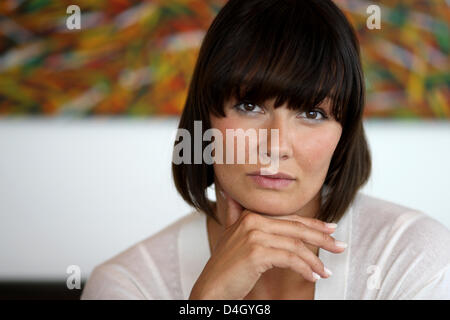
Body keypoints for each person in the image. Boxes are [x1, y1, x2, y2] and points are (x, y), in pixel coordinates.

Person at [81, 0, 450, 299]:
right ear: (205, 118)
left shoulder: (414, 257)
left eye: (312, 113)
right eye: (249, 106)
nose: (275, 146)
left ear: (344, 134)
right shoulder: (127, 285)